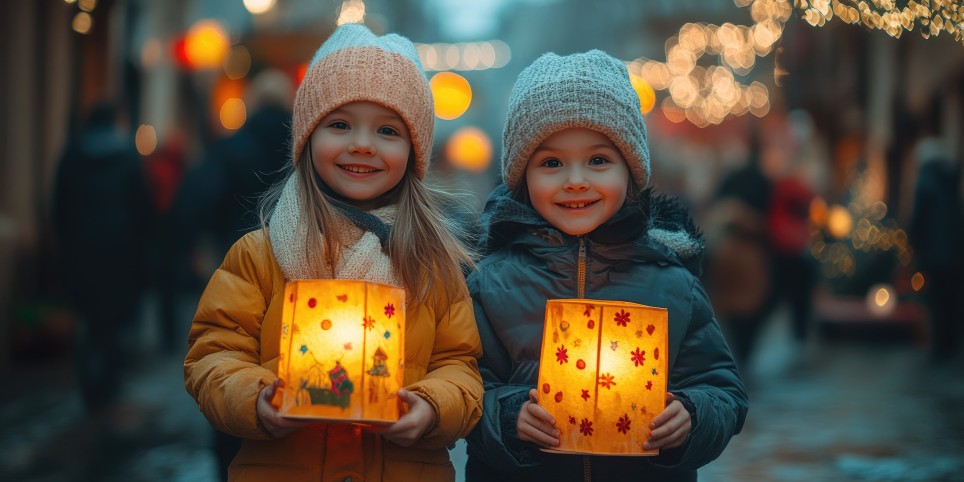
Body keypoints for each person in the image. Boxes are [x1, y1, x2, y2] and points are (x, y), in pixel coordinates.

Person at [183, 24, 484, 481]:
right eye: (340, 124)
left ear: (413, 151)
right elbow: (212, 353)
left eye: (387, 130)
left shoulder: (430, 263)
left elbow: (460, 366)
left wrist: (430, 407)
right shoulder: (260, 256)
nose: (361, 144)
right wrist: (258, 397)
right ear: (306, 138)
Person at [464, 50, 747, 482]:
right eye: (551, 163)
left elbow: (722, 387)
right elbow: (464, 389)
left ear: (630, 172)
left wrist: (691, 416)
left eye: (598, 160)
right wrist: (506, 416)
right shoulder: (491, 281)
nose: (575, 179)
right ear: (522, 179)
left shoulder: (671, 281)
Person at [52, 101, 154, 417]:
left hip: (81, 250)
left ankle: (89, 382)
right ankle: (108, 382)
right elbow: (142, 210)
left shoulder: (71, 156)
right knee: (114, 320)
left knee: (89, 319)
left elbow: (59, 206)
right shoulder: (126, 158)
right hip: (119, 251)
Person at [907, 137, 964, 362]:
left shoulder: (925, 180)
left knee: (937, 300)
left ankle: (941, 345)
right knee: (953, 298)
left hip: (934, 253)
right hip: (955, 253)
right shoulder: (950, 179)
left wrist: (915, 243)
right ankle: (952, 342)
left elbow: (919, 219)